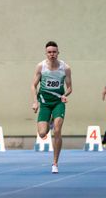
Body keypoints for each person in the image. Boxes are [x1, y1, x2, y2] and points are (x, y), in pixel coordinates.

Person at [31, 41, 72, 174]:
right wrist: (35, 102)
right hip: (44, 102)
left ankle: (55, 162)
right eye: (49, 52)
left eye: (54, 52)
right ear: (46, 53)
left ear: (58, 53)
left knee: (57, 130)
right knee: (42, 133)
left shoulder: (65, 68)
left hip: (58, 102)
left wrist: (65, 95)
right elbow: (33, 86)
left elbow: (70, 87)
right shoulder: (41, 67)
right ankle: (49, 121)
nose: (52, 54)